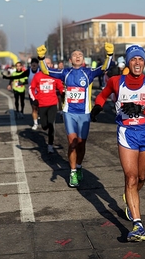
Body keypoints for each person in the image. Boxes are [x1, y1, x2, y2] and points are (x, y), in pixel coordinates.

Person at [90, 44, 145, 242]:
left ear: (144, 62)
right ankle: (137, 225)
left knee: (141, 178)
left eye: (140, 59)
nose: (137, 62)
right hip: (126, 132)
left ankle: (129, 197)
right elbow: (103, 94)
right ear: (128, 62)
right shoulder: (117, 81)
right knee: (130, 178)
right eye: (134, 59)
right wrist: (97, 107)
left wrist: (142, 109)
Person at [36, 42, 114, 187]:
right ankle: (72, 173)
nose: (77, 56)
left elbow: (106, 67)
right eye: (75, 55)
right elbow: (46, 71)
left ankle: (78, 166)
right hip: (69, 113)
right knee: (72, 143)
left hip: (84, 114)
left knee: (81, 144)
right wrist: (41, 58)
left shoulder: (89, 72)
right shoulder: (65, 73)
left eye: (80, 55)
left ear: (83, 60)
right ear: (70, 60)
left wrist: (109, 55)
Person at [30, 57, 64, 153]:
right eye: (45, 63)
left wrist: (63, 92)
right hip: (42, 104)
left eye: (49, 63)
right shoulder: (37, 76)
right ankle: (45, 126)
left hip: (53, 103)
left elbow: (60, 86)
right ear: (41, 65)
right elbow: (31, 88)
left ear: (51, 65)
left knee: (51, 124)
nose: (47, 65)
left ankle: (50, 145)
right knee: (44, 126)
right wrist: (35, 99)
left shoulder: (54, 75)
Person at [3, 58, 40, 129]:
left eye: (20, 66)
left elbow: (26, 80)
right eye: (17, 66)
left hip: (28, 90)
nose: (18, 67)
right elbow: (13, 78)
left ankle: (23, 111)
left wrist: (23, 82)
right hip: (20, 90)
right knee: (19, 101)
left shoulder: (36, 71)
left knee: (24, 102)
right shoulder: (23, 72)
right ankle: (18, 112)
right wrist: (9, 84)